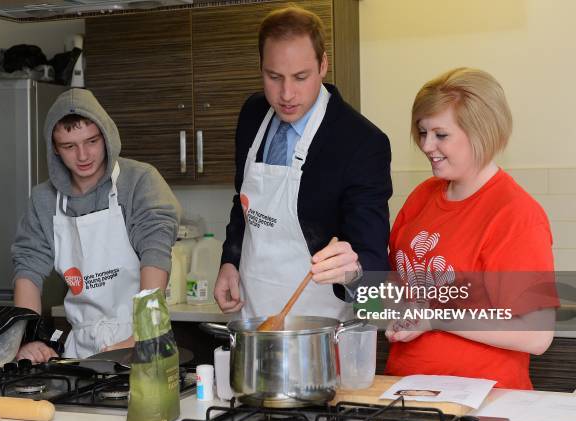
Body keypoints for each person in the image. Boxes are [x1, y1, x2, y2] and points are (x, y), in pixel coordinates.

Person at [385, 67, 558, 389]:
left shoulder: (515, 214)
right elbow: (398, 287)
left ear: (481, 132)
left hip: (484, 399)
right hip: (404, 391)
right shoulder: (422, 197)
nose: (426, 145)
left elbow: (536, 334)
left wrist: (435, 317)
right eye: (423, 133)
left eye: (441, 134)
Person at [214, 6, 392, 320]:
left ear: (323, 65)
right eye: (273, 77)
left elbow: (375, 278)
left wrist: (354, 271)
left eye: (300, 77)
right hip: (254, 319)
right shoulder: (253, 115)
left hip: (323, 334)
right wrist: (230, 258)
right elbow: (244, 203)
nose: (286, 94)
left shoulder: (361, 143)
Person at [12, 88, 180, 362]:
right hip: (81, 348)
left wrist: (145, 331)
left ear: (107, 135)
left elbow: (155, 250)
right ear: (55, 148)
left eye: (91, 141)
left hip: (141, 339)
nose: (83, 155)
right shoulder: (44, 200)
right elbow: (28, 269)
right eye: (69, 146)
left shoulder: (138, 181)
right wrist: (27, 339)